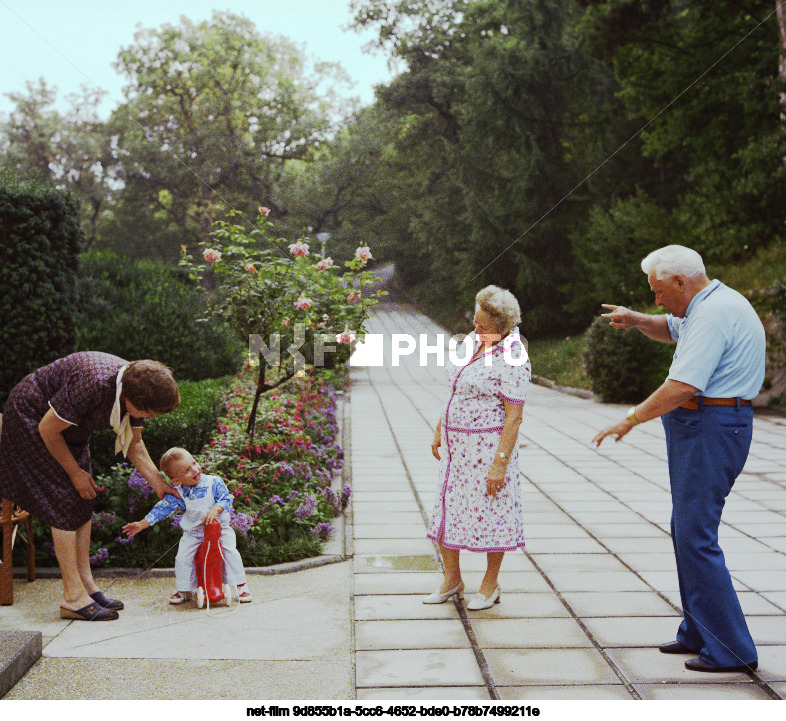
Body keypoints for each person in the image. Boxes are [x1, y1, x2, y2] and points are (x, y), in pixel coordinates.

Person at [592, 244, 764, 673]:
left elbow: (682, 385)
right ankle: (700, 630)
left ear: (680, 282)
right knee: (686, 528)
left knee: (695, 534)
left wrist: (630, 419)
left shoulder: (710, 315)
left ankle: (732, 649)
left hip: (713, 428)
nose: (656, 299)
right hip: (704, 426)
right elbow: (669, 328)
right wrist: (636, 321)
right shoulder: (708, 303)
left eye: (657, 290)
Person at [0, 352, 180, 621]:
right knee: (63, 499)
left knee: (84, 496)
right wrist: (74, 472)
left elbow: (134, 442)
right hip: (32, 420)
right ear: (129, 398)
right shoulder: (93, 384)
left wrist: (158, 481)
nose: (152, 416)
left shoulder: (135, 387)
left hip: (67, 431)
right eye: (149, 411)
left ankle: (86, 586)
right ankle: (72, 598)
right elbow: (48, 428)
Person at [424, 285, 531, 610]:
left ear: (504, 327)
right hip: (458, 450)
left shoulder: (513, 356)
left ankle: (490, 584)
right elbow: (455, 388)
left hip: (488, 451)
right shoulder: (471, 342)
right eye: (476, 322)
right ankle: (452, 580)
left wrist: (499, 464)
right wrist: (440, 427)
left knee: (491, 512)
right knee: (447, 508)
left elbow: (514, 418)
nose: (476, 329)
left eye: (483, 326)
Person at [122, 447, 251, 604]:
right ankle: (184, 589)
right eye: (187, 470)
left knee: (230, 552)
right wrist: (142, 524)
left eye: (194, 463)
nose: (195, 470)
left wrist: (215, 510)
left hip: (220, 530)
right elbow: (163, 509)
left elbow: (226, 498)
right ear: (176, 480)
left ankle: (241, 585)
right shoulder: (179, 492)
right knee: (182, 558)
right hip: (194, 533)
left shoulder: (214, 482)